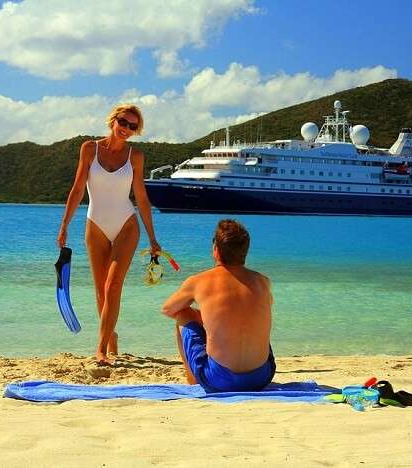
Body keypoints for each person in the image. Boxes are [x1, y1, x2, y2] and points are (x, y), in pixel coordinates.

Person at [57, 104, 160, 365]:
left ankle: (100, 349)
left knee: (113, 286)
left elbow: (142, 198)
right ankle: (111, 336)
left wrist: (152, 237)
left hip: (127, 224)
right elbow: (78, 188)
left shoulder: (135, 156)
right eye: (123, 122)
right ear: (113, 120)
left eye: (133, 126)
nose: (126, 129)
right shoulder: (89, 148)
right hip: (96, 225)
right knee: (101, 292)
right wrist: (65, 225)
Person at [161, 219, 275, 392]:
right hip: (262, 377)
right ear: (245, 251)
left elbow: (168, 309)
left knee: (183, 313)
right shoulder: (263, 282)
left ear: (216, 250)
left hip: (218, 379)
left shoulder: (199, 281)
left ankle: (192, 379)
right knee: (252, 317)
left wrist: (204, 319)